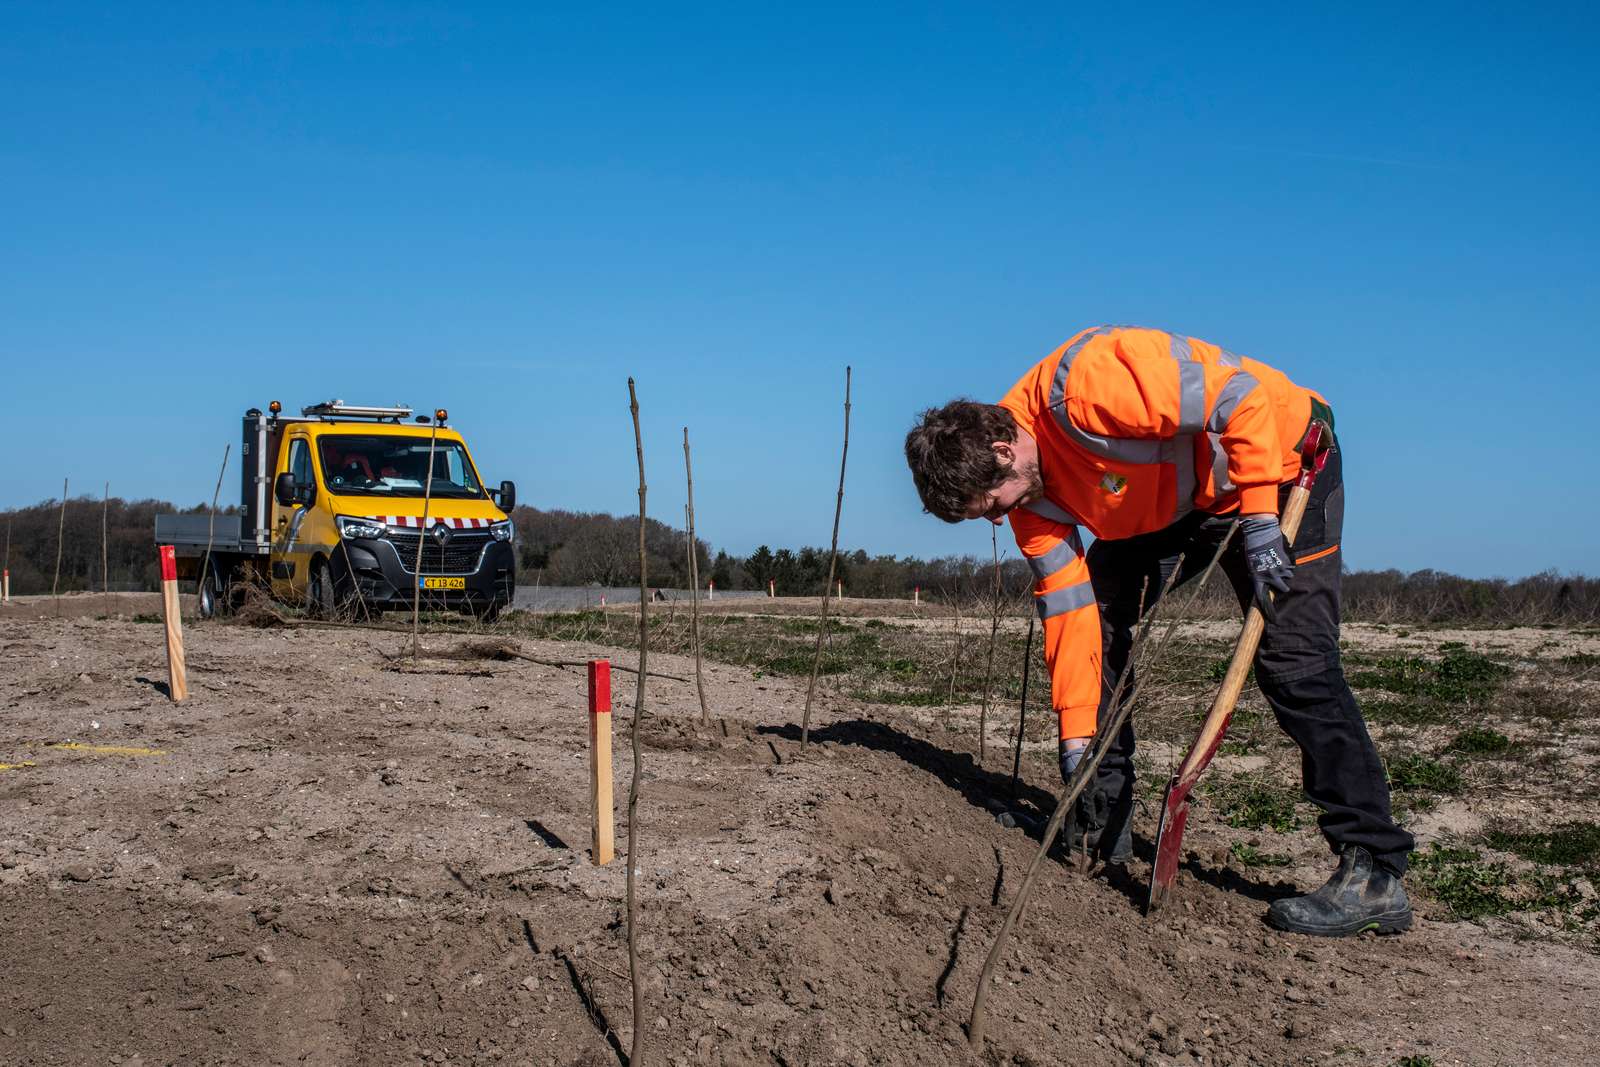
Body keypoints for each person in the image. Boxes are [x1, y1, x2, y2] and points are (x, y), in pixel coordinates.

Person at [904, 325, 1414, 937]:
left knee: (1295, 664)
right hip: (1184, 506)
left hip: (1279, 465)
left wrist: (1257, 519)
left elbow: (1243, 397)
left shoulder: (1090, 383)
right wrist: (1077, 741)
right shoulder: (1029, 499)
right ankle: (1100, 815)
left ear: (1003, 447)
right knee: (1104, 604)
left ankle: (1373, 871)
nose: (999, 518)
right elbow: (1072, 617)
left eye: (990, 504)